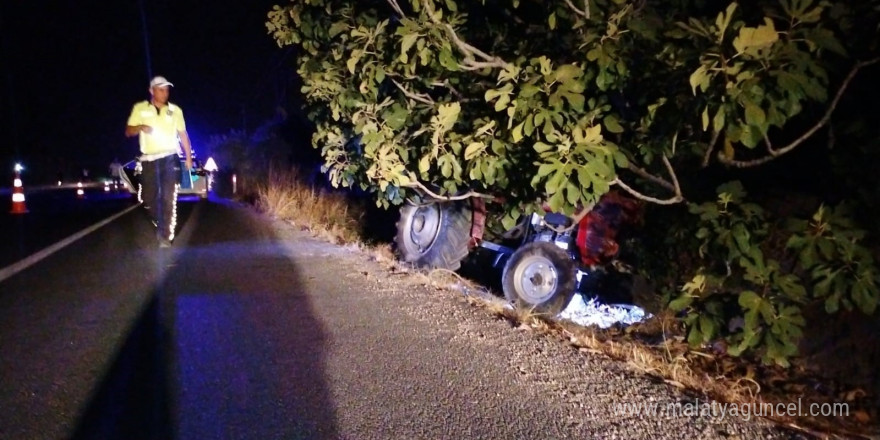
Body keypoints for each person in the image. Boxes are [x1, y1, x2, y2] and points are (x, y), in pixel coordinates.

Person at [125, 75, 193, 247]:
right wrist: (140, 127)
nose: (165, 93)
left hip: (170, 158)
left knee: (168, 197)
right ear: (151, 91)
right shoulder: (140, 109)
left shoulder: (175, 111)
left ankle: (165, 236)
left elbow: (183, 134)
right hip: (148, 160)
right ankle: (161, 222)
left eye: (167, 89)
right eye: (161, 89)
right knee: (148, 197)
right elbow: (128, 131)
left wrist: (189, 158)